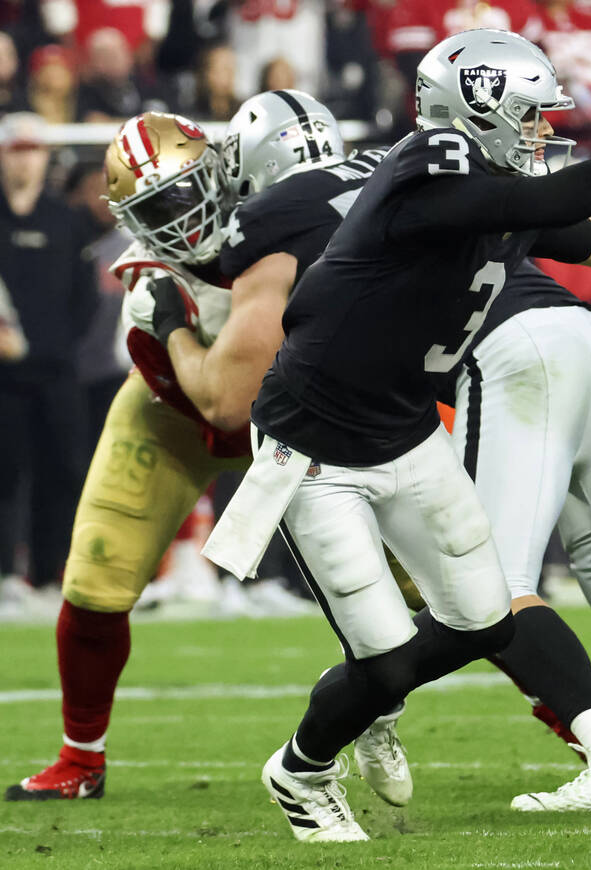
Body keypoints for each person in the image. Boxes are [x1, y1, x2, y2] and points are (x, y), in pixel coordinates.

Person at [203, 28, 591, 842]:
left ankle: (384, 725)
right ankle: (301, 769)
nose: (542, 131)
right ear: (475, 111)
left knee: (484, 619)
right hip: (314, 443)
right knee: (389, 663)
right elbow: (550, 204)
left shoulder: (494, 191)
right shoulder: (429, 172)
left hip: (407, 431)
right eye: (529, 115)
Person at [3, 94, 386, 801]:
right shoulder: (148, 281)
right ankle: (80, 757)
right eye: (155, 209)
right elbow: (217, 418)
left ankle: (563, 718)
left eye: (185, 190)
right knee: (95, 579)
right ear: (125, 223)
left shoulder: (279, 218)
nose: (178, 216)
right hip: (180, 413)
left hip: (301, 411)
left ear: (222, 171)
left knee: (439, 585)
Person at [0, 112, 97, 620]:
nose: (25, 159)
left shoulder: (65, 220)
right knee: (4, 476)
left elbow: (85, 299)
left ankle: (45, 573)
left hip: (57, 373)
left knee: (61, 472)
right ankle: (3, 576)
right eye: (16, 149)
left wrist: (58, 344)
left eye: (33, 149)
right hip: (3, 378)